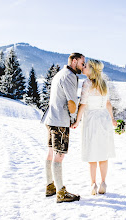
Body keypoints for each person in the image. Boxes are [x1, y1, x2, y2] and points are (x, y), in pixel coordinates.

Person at [41, 53, 85, 203]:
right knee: (59, 155)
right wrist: (74, 120)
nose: (83, 66)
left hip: (51, 118)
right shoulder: (69, 76)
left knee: (51, 152)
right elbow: (72, 102)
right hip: (60, 121)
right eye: (82, 63)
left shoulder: (60, 73)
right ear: (74, 61)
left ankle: (50, 186)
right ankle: (61, 192)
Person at [71, 59, 116, 195]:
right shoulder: (104, 84)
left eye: (86, 66)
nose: (83, 67)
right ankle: (103, 182)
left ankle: (93, 184)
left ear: (92, 70)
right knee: (103, 152)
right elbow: (108, 103)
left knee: (92, 153)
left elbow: (83, 104)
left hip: (91, 120)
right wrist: (112, 118)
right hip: (104, 119)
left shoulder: (87, 84)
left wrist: (77, 121)